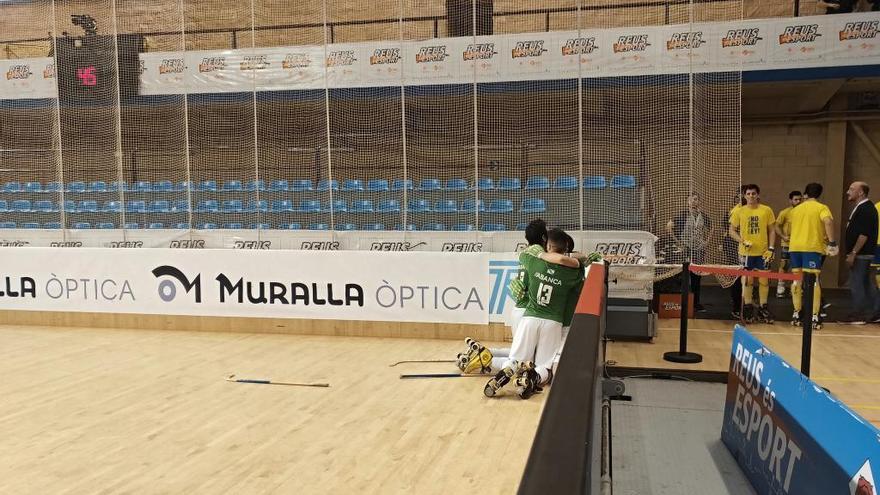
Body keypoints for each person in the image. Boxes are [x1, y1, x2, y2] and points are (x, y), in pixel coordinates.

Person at [484, 228, 585, 399]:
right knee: (544, 366)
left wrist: (540, 253)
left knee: (515, 359)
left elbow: (527, 255)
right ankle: (533, 377)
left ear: (548, 245)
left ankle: (505, 373)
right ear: (566, 247)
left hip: (530, 317)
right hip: (553, 321)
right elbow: (578, 262)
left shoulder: (532, 261)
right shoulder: (573, 272)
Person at [457, 218, 547, 374]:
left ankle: (484, 351)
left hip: (520, 310)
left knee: (518, 353)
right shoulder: (537, 252)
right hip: (527, 312)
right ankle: (484, 360)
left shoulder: (526, 252)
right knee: (520, 362)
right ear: (544, 237)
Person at [788, 182, 838, 330]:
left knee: (797, 280)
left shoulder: (795, 210)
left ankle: (796, 313)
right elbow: (828, 221)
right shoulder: (821, 208)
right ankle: (815, 316)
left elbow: (792, 227)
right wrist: (832, 242)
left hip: (794, 247)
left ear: (805, 194)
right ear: (819, 194)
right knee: (814, 280)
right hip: (811, 248)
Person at [728, 184, 776, 323]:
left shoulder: (766, 210)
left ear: (758, 195)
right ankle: (748, 307)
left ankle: (763, 308)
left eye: (753, 193)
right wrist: (742, 241)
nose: (751, 196)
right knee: (748, 281)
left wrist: (771, 248)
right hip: (746, 252)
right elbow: (731, 230)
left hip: (763, 252)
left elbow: (772, 230)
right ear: (744, 196)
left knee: (764, 280)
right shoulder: (739, 211)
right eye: (748, 194)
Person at [666, 193, 712, 311]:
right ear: (687, 202)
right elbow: (669, 226)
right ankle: (683, 303)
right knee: (683, 277)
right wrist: (678, 242)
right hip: (686, 249)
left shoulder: (703, 216)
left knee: (697, 277)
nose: (694, 202)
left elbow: (712, 227)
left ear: (699, 202)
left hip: (699, 250)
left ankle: (696, 304)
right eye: (691, 200)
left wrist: (707, 241)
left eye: (696, 199)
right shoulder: (683, 215)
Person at [843, 181, 879, 324]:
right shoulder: (862, 208)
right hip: (861, 253)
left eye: (851, 189)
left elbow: (863, 235)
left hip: (861, 254)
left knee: (857, 283)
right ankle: (875, 312)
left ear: (861, 193)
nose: (848, 192)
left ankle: (859, 315)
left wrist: (853, 253)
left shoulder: (866, 209)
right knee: (865, 283)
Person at [774, 190, 802, 297]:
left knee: (797, 266)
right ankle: (780, 285)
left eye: (800, 199)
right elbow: (776, 226)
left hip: (800, 244)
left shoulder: (804, 212)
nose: (798, 201)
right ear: (790, 201)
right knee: (784, 265)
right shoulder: (785, 212)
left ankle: (795, 286)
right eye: (796, 199)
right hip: (787, 244)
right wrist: (783, 236)